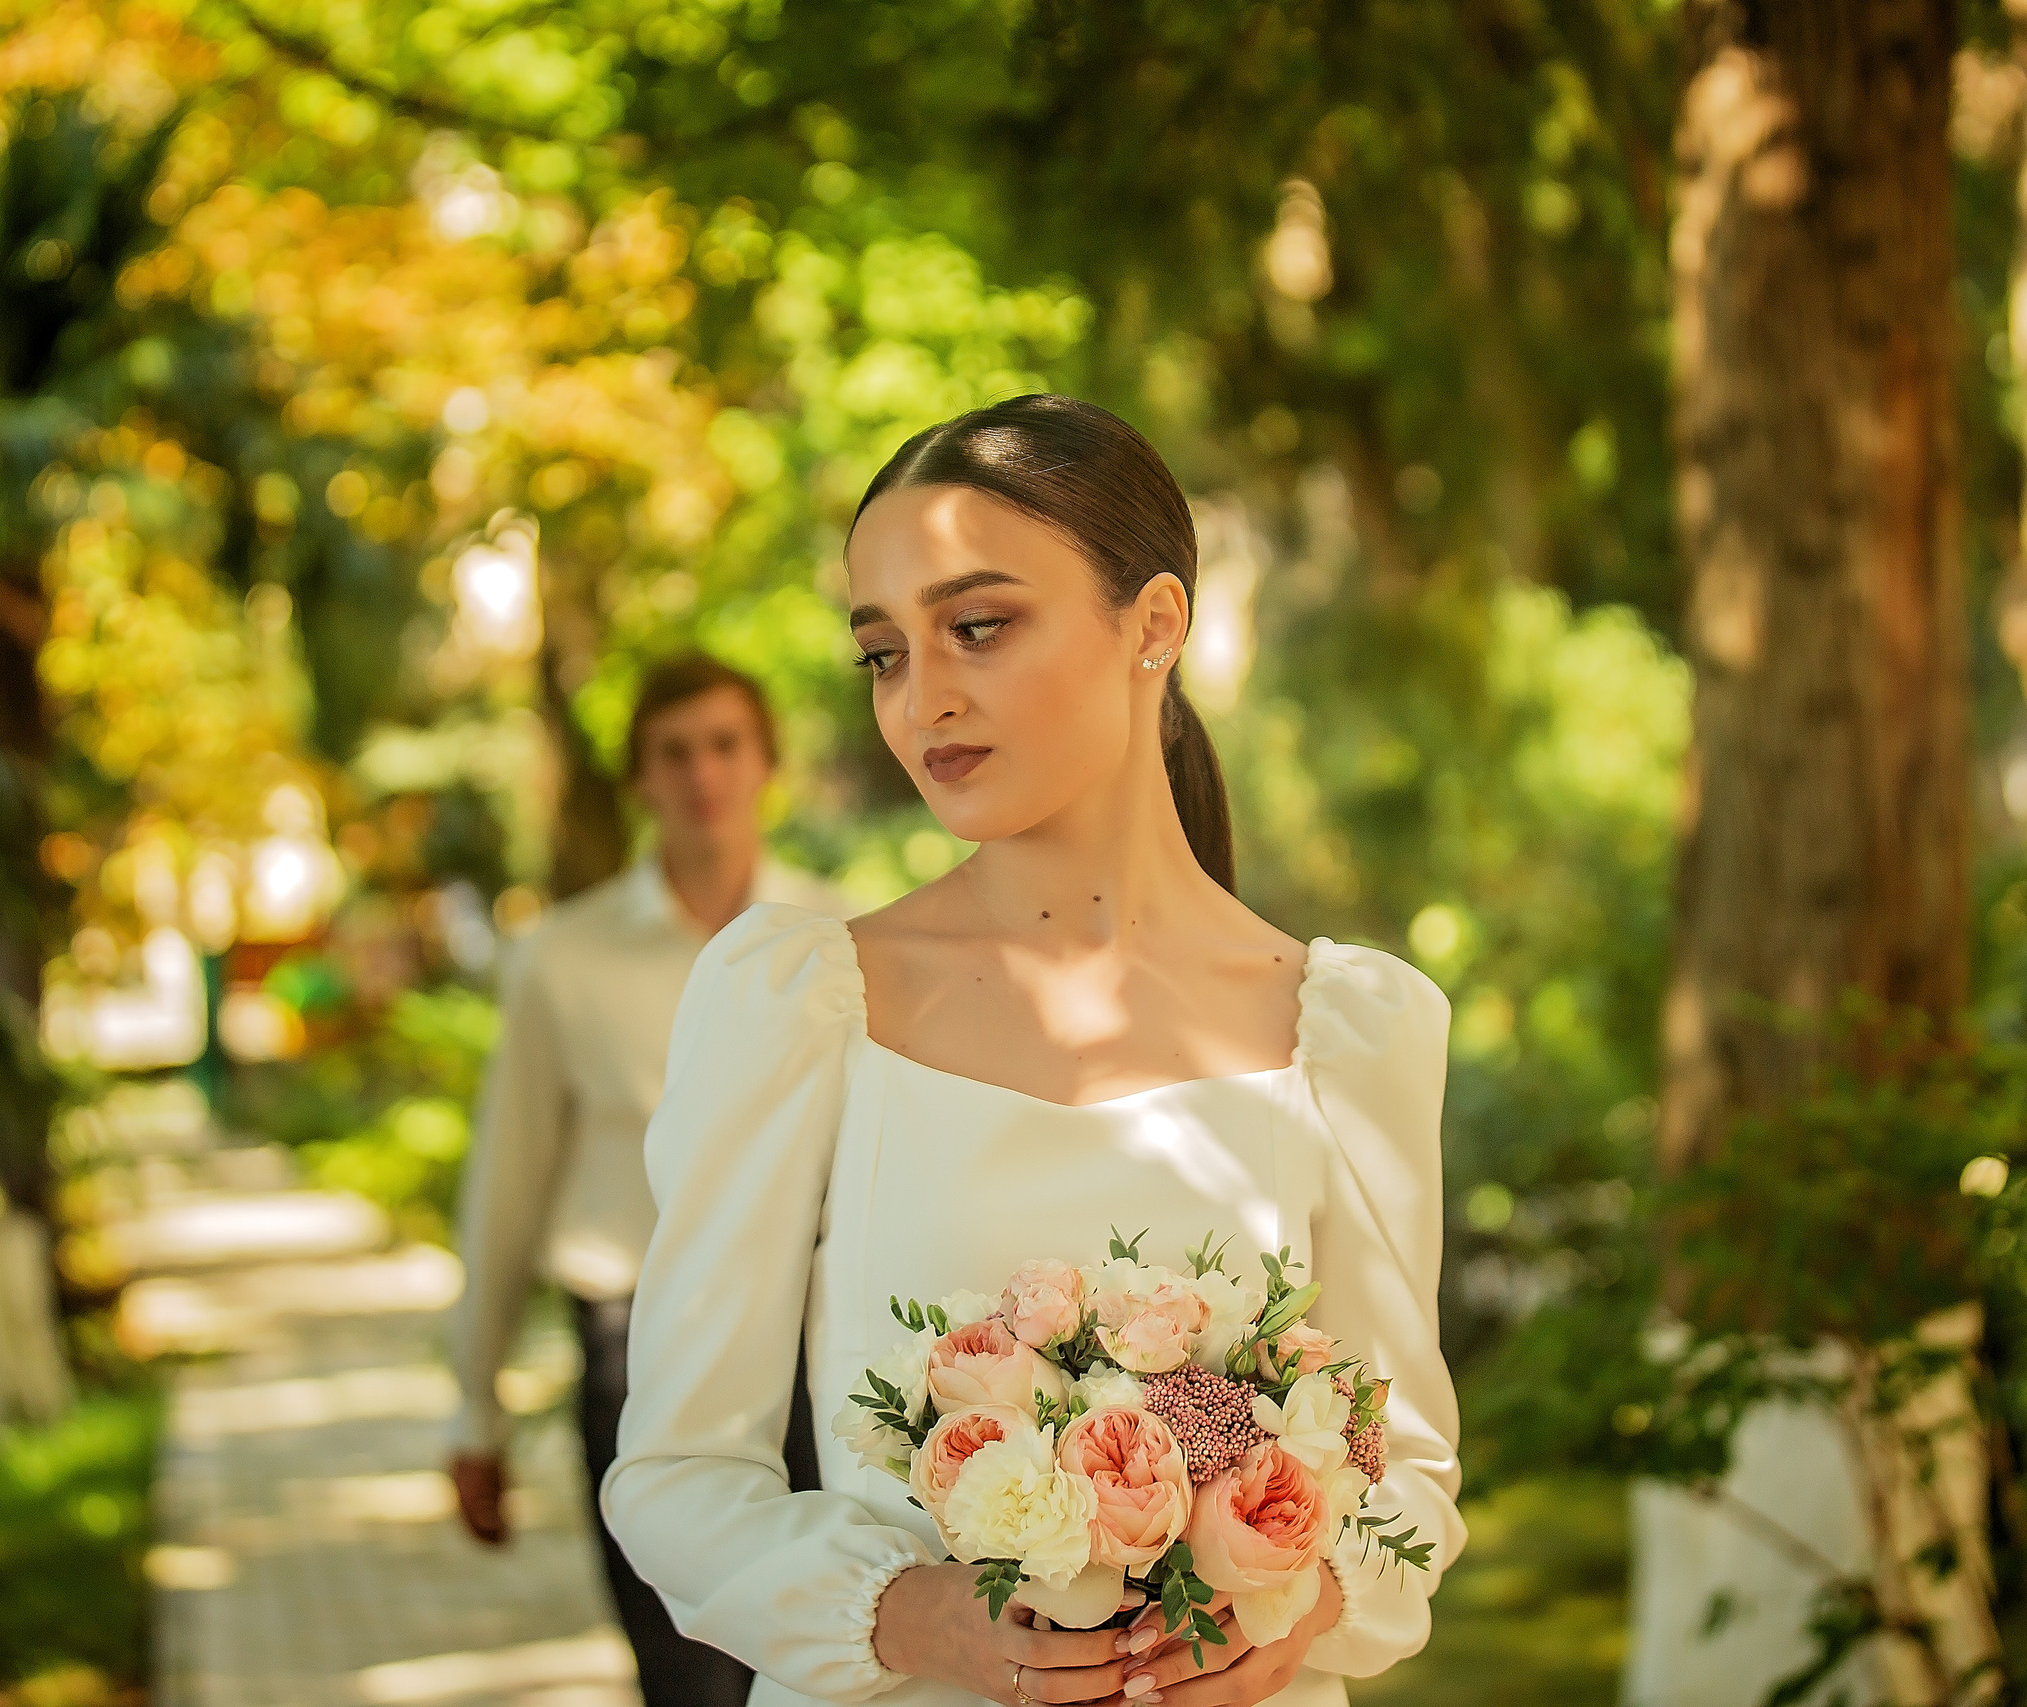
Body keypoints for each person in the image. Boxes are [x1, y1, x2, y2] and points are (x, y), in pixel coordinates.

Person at [603, 395, 1465, 1707]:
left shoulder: (1347, 1032)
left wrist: (1301, 1599)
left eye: (979, 626)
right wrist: (908, 1612)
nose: (923, 697)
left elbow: (1405, 1477)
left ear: (1156, 623)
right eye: (883, 652)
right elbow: (675, 1476)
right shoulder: (801, 1007)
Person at [447, 653, 851, 1707]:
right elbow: (507, 1184)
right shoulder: (561, 961)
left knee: (828, 1663)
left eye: (724, 744)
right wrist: (472, 1410)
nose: (701, 773)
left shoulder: (840, 942)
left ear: (767, 763)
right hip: (634, 1347)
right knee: (684, 1679)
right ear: (640, 780)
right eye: (674, 752)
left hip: (812, 1345)